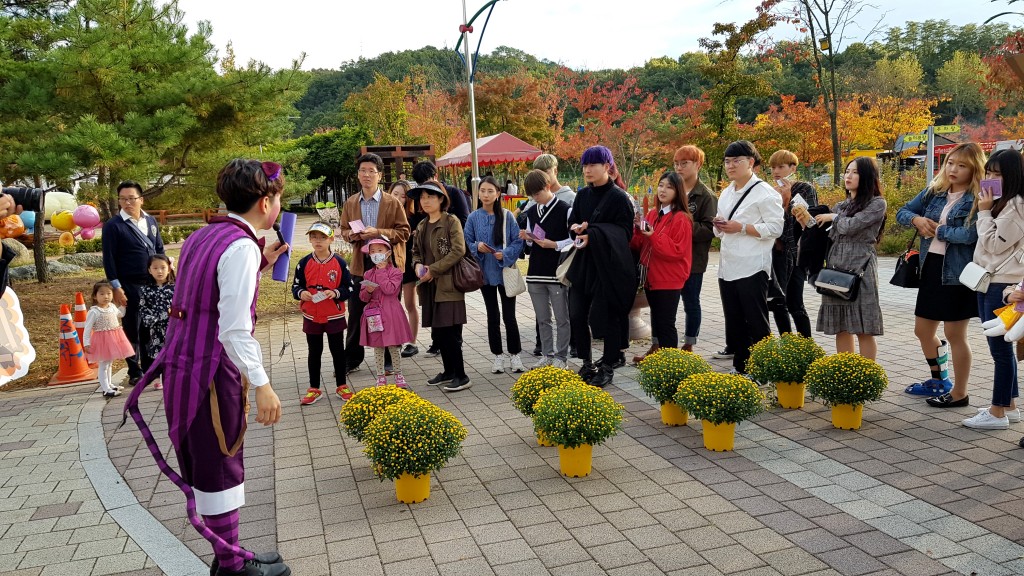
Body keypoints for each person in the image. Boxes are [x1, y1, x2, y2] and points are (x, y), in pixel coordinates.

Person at [123, 158, 292, 576]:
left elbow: (202, 293)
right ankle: (233, 566)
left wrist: (261, 261)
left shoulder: (206, 234)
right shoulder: (239, 246)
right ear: (266, 201)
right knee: (220, 458)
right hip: (210, 371)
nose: (279, 206)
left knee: (210, 457)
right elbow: (235, 329)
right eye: (279, 197)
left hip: (184, 363)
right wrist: (262, 384)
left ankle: (229, 556)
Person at [896, 142, 984, 405]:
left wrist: (939, 231)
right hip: (931, 268)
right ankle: (940, 379)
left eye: (962, 165)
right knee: (922, 330)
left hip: (958, 273)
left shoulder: (979, 198)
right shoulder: (935, 192)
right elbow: (903, 212)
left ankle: (960, 392)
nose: (953, 169)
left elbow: (971, 235)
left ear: (974, 168)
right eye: (950, 162)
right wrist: (917, 220)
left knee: (956, 334)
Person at [962, 149, 1024, 431]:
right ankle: (1009, 405)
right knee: (1002, 348)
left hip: (1004, 285)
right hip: (990, 279)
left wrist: (984, 212)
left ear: (1012, 176)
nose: (991, 178)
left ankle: (997, 412)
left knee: (999, 350)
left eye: (997, 174)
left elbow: (995, 244)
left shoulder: (1016, 206)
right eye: (989, 172)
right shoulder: (1003, 202)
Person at [566, 146, 636, 388]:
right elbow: (572, 221)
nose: (587, 170)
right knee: (576, 314)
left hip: (609, 267)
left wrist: (593, 234)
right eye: (584, 165)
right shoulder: (582, 195)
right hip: (584, 264)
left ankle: (607, 365)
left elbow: (624, 233)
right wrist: (576, 228)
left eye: (593, 165)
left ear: (607, 167)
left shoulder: (620, 198)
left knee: (608, 318)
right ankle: (587, 362)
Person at [714, 141, 784, 374]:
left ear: (751, 162)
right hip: (728, 266)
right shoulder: (726, 192)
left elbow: (775, 228)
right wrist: (720, 226)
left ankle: (764, 370)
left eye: (736, 161)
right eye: (727, 161)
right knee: (734, 321)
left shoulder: (765, 192)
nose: (731, 166)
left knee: (756, 321)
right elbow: (721, 224)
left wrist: (742, 227)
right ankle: (742, 368)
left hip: (753, 266)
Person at [340, 153, 411, 375]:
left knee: (388, 313)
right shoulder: (351, 202)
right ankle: (351, 358)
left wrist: (378, 232)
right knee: (356, 313)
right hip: (362, 267)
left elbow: (404, 232)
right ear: (358, 174)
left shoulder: (391, 202)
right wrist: (351, 235)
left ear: (379, 175)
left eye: (372, 171)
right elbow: (343, 230)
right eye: (363, 170)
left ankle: (390, 359)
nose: (367, 175)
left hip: (387, 270)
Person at [814, 157, 887, 360]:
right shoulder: (841, 205)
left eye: (855, 172)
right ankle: (846, 371)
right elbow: (828, 233)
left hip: (860, 263)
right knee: (841, 325)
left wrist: (834, 218)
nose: (849, 176)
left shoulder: (877, 203)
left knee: (863, 326)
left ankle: (865, 375)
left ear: (867, 176)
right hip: (836, 262)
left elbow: (850, 226)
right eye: (847, 171)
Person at [409, 182, 472, 392]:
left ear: (441, 199)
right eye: (422, 197)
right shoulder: (421, 225)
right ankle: (448, 371)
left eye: (431, 196)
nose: (425, 201)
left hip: (448, 284)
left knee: (449, 332)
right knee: (439, 331)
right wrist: (417, 265)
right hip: (429, 287)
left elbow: (458, 251)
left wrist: (432, 270)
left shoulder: (451, 221)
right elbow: (415, 251)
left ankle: (461, 375)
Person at [101, 180, 166, 386]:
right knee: (131, 328)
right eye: (123, 199)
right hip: (128, 284)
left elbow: (159, 250)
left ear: (141, 199)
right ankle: (134, 370)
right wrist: (116, 287)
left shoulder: (151, 221)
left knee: (150, 326)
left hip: (151, 283)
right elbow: (108, 259)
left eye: (131, 198)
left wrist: (164, 276)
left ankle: (150, 368)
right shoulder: (114, 226)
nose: (127, 203)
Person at [465, 176, 526, 374]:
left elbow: (518, 242)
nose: (486, 194)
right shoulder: (473, 217)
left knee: (510, 316)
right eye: (482, 190)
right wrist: (477, 247)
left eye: (490, 191)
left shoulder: (508, 216)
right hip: (485, 274)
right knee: (493, 315)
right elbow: (467, 243)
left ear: (498, 193)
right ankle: (497, 356)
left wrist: (506, 254)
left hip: (505, 271)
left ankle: (515, 355)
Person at [631, 172, 693, 363]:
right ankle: (658, 355)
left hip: (669, 278)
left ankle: (670, 363)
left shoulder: (681, 218)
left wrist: (652, 235)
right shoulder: (652, 214)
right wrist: (637, 231)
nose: (663, 190)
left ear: (678, 191)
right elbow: (639, 245)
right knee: (657, 319)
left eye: (669, 187)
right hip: (651, 276)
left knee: (666, 322)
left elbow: (676, 251)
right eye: (660, 185)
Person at [292, 221, 353, 404]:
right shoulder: (303, 263)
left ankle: (342, 385)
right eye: (314, 237)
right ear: (310, 239)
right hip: (311, 314)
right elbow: (296, 286)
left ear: (331, 239)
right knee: (314, 351)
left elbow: (349, 288)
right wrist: (301, 293)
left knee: (337, 351)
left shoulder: (340, 263)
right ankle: (314, 388)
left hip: (334, 315)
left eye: (323, 237)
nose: (318, 241)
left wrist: (335, 292)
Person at [520, 169, 572, 369]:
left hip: (556, 270)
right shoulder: (532, 211)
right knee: (542, 318)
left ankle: (561, 357)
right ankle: (547, 354)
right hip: (535, 270)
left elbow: (573, 239)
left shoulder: (565, 209)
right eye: (532, 195)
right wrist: (529, 238)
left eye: (538, 194)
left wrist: (555, 244)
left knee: (561, 317)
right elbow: (534, 240)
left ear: (548, 187)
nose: (535, 198)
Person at [767, 150, 818, 338]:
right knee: (778, 301)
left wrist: (786, 199)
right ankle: (787, 342)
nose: (776, 171)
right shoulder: (771, 191)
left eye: (781, 167)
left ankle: (805, 344)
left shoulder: (804, 188)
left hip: (797, 253)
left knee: (795, 301)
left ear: (792, 168)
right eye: (773, 167)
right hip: (778, 253)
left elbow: (806, 223)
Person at [673, 145, 717, 353]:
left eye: (685, 163)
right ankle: (661, 342)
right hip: (669, 257)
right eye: (677, 164)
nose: (679, 168)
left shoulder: (705, 195)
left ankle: (690, 343)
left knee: (691, 301)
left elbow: (710, 229)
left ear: (697, 164)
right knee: (667, 302)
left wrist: (682, 224)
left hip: (693, 259)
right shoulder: (672, 189)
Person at [360, 237, 413, 387]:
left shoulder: (396, 272)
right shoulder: (368, 274)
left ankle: (398, 374)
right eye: (373, 251)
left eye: (380, 250)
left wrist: (382, 272)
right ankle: (380, 376)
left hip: (391, 313)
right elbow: (363, 297)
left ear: (388, 253)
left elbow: (390, 290)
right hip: (374, 313)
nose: (376, 254)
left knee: (393, 345)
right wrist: (368, 291)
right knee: (378, 346)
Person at [84, 280, 135, 398]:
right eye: (102, 294)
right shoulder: (94, 312)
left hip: (113, 339)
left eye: (109, 293)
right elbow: (87, 328)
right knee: (103, 365)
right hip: (102, 340)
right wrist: (86, 343)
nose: (106, 296)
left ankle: (109, 384)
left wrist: (123, 306)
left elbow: (120, 314)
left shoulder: (112, 307)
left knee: (109, 363)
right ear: (95, 296)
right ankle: (105, 388)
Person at [390, 180, 424, 358]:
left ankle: (412, 341)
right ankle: (395, 339)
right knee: (392, 305)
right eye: (395, 194)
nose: (398, 199)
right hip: (390, 264)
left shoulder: (415, 217)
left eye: (403, 196)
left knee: (410, 303)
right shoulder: (386, 215)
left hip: (409, 265)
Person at [139, 254, 175, 391]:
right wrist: (153, 320)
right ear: (149, 270)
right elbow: (143, 309)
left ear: (169, 269)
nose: (159, 271)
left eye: (163, 267)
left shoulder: (175, 288)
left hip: (174, 327)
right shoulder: (146, 290)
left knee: (174, 352)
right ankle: (161, 378)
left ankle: (174, 377)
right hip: (157, 329)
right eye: (155, 268)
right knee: (160, 354)